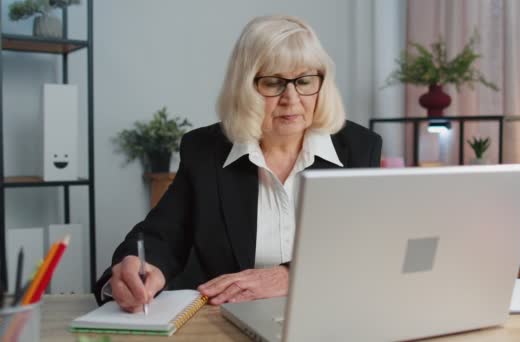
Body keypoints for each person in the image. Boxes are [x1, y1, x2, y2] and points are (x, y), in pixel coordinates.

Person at [94, 15, 382, 312]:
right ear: (244, 87)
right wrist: (136, 266)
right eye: (273, 83)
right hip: (227, 322)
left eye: (305, 81)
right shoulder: (205, 151)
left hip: (331, 316)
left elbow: (369, 249)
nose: (291, 98)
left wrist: (290, 275)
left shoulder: (359, 149)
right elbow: (162, 235)